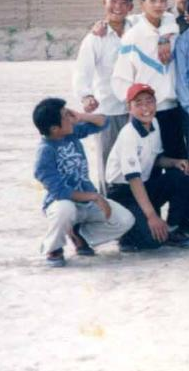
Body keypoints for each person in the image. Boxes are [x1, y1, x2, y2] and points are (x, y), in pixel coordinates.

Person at [32, 97, 134, 267]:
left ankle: (80, 235)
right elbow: (60, 192)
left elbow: (103, 122)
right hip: (63, 203)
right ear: (55, 129)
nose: (70, 117)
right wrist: (94, 196)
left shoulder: (71, 133)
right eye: (65, 115)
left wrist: (81, 116)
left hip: (86, 202)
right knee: (64, 209)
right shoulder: (45, 152)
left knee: (125, 219)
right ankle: (54, 248)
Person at [105, 83, 189, 250]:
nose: (145, 108)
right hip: (122, 193)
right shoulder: (129, 134)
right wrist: (152, 215)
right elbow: (134, 179)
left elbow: (156, 159)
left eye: (149, 101)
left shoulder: (154, 123)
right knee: (152, 242)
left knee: (181, 175)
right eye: (138, 103)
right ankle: (127, 235)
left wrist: (175, 162)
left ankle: (172, 228)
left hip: (144, 187)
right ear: (129, 108)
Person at [111, 0, 185, 159]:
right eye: (152, 0)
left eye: (162, 0)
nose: (158, 5)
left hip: (171, 108)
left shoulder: (172, 33)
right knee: (147, 163)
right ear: (142, 3)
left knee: (177, 162)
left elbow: (169, 19)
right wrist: (135, 107)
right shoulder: (132, 37)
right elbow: (122, 77)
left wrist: (165, 36)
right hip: (145, 112)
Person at [72, 0, 135, 193]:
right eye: (113, 0)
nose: (118, 6)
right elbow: (82, 71)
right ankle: (109, 206)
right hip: (108, 112)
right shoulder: (95, 39)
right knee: (109, 165)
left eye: (124, 2)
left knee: (137, 162)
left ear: (131, 7)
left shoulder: (137, 31)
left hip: (137, 110)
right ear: (104, 2)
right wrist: (86, 96)